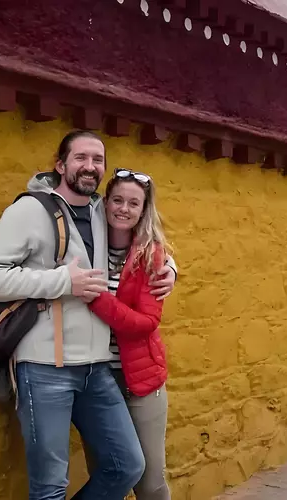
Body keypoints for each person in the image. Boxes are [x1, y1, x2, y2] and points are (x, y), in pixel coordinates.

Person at [0, 130, 176, 500]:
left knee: (127, 466)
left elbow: (141, 238)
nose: (90, 166)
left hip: (96, 369)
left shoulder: (101, 209)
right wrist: (63, 281)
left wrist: (170, 268)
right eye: (81, 158)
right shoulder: (30, 210)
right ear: (61, 164)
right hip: (45, 366)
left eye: (98, 160)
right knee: (50, 487)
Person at [85, 169, 173, 500]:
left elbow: (146, 322)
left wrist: (98, 300)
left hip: (140, 381)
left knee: (149, 481)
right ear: (105, 203)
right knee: (108, 476)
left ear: (143, 209)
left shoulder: (151, 254)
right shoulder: (86, 244)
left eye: (133, 203)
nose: (123, 208)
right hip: (94, 380)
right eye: (117, 200)